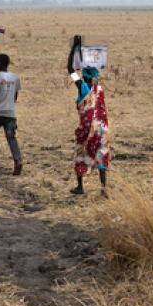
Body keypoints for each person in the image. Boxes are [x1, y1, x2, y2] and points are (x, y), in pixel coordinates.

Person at [67, 37, 111, 196]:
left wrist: (74, 48)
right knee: (101, 156)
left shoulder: (83, 87)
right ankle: (104, 188)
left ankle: (80, 187)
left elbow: (70, 70)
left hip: (87, 129)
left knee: (80, 153)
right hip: (101, 128)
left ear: (83, 75)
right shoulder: (99, 89)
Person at [0, 54, 23, 175]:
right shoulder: (15, 77)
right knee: (11, 138)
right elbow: (15, 96)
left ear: (0, 63)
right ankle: (17, 160)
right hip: (10, 113)